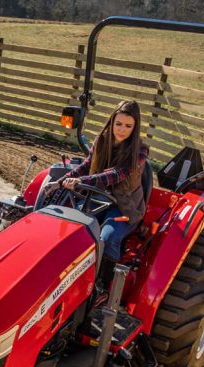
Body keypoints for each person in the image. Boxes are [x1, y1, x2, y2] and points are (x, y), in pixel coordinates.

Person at [48, 99, 149, 289]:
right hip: (95, 197)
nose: (122, 130)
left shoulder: (140, 152)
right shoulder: (101, 141)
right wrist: (61, 181)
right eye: (118, 124)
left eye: (128, 126)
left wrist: (81, 182)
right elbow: (86, 166)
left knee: (108, 238)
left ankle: (102, 282)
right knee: (73, 230)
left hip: (124, 206)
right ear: (111, 122)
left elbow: (115, 175)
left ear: (135, 128)